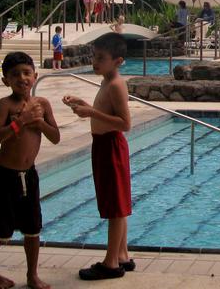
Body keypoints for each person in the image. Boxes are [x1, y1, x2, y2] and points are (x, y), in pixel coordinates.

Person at [0, 52, 60, 289]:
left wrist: (40, 123)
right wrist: (20, 121)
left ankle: (32, 275)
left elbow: (55, 137)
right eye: (15, 75)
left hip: (29, 174)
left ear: (35, 76)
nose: (22, 78)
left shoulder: (43, 104)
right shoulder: (4, 105)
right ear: (6, 80)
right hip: (5, 175)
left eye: (26, 73)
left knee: (33, 227)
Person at [63, 33, 133, 280]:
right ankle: (122, 254)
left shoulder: (115, 84)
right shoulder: (106, 80)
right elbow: (103, 110)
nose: (95, 61)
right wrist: (82, 104)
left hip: (111, 146)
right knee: (117, 202)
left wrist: (91, 111)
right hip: (103, 146)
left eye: (101, 58)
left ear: (118, 61)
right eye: (94, 56)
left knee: (115, 206)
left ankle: (111, 263)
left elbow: (125, 123)